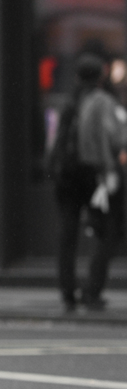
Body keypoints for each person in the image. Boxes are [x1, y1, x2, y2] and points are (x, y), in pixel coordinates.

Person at [54, 53, 127, 312]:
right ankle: (92, 290)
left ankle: (68, 292)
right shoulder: (103, 102)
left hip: (67, 176)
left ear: (77, 77)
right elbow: (118, 138)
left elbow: (56, 143)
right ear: (102, 75)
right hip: (95, 174)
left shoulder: (69, 103)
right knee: (109, 231)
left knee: (68, 233)